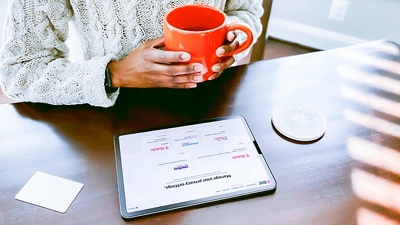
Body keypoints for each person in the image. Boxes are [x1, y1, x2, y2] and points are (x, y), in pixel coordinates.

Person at [0, 0, 263, 107]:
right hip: (109, 112)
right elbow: (17, 70)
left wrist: (231, 40)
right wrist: (112, 74)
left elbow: (245, 11)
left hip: (210, 100)